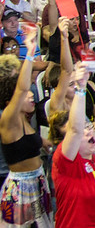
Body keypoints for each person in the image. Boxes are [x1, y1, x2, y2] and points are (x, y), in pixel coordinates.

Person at [52, 63, 95, 227]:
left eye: (88, 126)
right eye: (83, 130)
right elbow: (74, 129)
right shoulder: (65, 163)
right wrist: (81, 87)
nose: (89, 132)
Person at [0, 30, 51, 227]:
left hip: (36, 181)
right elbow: (22, 89)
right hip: (20, 188)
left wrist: (45, 143)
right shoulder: (8, 117)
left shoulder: (21, 116)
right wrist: (30, 51)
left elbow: (29, 142)